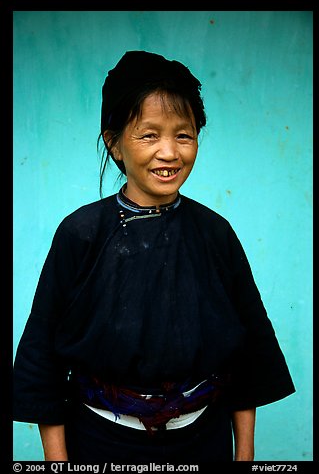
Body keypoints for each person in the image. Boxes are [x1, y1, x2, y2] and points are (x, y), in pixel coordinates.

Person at [13, 50, 295, 463]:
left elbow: (248, 354)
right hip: (101, 441)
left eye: (184, 135)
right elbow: (44, 360)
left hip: (203, 438)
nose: (169, 152)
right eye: (149, 135)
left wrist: (244, 453)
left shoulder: (215, 234)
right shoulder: (80, 234)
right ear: (114, 143)